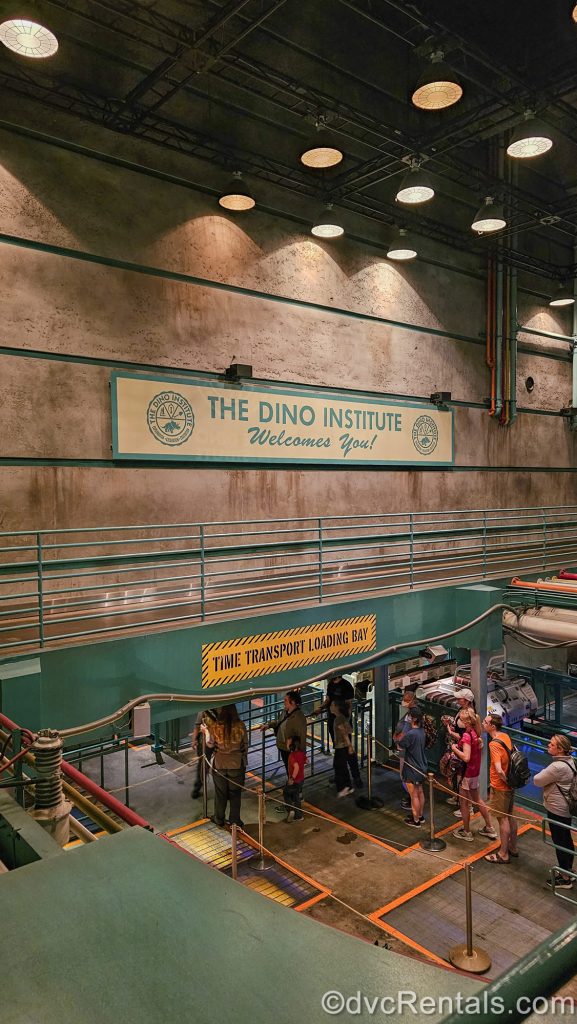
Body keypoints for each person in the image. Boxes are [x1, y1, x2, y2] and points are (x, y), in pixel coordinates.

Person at [534, 734, 576, 889]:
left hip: (556, 808)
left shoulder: (557, 766)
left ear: (560, 749)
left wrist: (545, 771)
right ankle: (568, 870)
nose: (548, 746)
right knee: (566, 839)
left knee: (560, 842)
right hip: (565, 808)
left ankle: (564, 878)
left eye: (551, 745)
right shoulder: (570, 761)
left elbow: (537, 780)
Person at [450, 708, 497, 842]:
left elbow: (466, 757)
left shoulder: (466, 736)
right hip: (475, 772)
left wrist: (454, 749)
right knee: (478, 800)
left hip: (466, 773)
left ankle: (466, 831)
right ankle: (489, 827)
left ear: (466, 722)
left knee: (464, 804)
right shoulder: (476, 734)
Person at [482, 713, 518, 864]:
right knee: (510, 816)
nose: (483, 723)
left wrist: (505, 781)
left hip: (500, 787)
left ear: (492, 726)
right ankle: (513, 847)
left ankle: (503, 854)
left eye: (485, 722)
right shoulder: (505, 736)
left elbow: (499, 769)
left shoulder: (494, 744)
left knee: (502, 820)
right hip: (509, 787)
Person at [206, 704, 247, 828]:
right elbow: (245, 745)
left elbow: (210, 744)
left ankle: (219, 818)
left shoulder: (216, 726)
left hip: (219, 764)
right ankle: (235, 821)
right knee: (235, 794)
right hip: (236, 764)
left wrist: (206, 732)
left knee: (220, 793)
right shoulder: (241, 726)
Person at [442, 688, 482, 814]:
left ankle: (467, 807)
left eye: (460, 698)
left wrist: (451, 733)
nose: (458, 700)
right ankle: (460, 799)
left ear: (467, 701)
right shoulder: (463, 712)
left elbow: (464, 737)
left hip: (461, 748)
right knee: (458, 776)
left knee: (462, 778)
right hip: (459, 746)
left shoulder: (468, 716)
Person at [258, 690, 307, 776]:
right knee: (288, 768)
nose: (284, 702)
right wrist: (268, 726)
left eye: (285, 700)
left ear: (293, 702)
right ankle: (291, 782)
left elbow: (302, 736)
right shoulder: (285, 711)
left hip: (291, 749)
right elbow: (279, 722)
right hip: (282, 746)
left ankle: (293, 785)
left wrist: (302, 754)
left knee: (293, 770)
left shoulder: (299, 717)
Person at [397, 708, 427, 828]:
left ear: (413, 718)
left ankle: (415, 820)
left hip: (411, 767)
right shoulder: (422, 732)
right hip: (422, 765)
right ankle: (420, 816)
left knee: (413, 794)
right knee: (420, 791)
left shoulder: (411, 734)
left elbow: (400, 745)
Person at [393, 688, 419, 811]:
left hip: (407, 750)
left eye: (407, 700)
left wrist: (399, 740)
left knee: (406, 777)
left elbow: (405, 732)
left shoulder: (412, 716)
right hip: (407, 749)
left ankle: (412, 800)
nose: (404, 702)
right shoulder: (409, 713)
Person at [314, 674, 354, 747]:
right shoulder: (331, 684)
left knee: (345, 741)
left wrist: (347, 720)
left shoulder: (347, 685)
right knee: (335, 739)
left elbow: (349, 704)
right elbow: (328, 699)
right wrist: (320, 708)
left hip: (342, 717)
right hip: (332, 717)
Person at [332, 699, 358, 797]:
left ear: (336, 707)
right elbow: (350, 730)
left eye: (332, 705)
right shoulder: (343, 717)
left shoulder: (338, 719)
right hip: (344, 746)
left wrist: (350, 746)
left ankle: (342, 788)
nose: (330, 707)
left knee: (338, 767)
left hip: (341, 746)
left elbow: (344, 733)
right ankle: (348, 786)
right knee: (343, 767)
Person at [190, 708, 216, 799]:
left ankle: (197, 789)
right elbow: (197, 727)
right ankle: (224, 790)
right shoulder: (221, 709)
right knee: (205, 766)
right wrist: (194, 739)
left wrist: (194, 740)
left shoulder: (203, 710)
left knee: (203, 766)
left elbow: (197, 727)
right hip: (213, 740)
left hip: (206, 741)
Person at [283, 734, 307, 822]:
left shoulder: (291, 756)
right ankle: (299, 815)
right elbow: (306, 761)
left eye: (288, 742)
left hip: (295, 780)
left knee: (286, 793)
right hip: (301, 779)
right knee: (296, 797)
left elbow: (296, 767)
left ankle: (290, 810)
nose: (286, 743)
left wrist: (292, 778)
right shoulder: (301, 753)